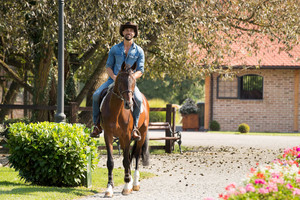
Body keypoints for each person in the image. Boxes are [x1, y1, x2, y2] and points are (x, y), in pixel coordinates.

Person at [91, 22, 145, 141]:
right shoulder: (114, 49)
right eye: (126, 30)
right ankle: (97, 125)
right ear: (123, 33)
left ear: (134, 34)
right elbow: (108, 67)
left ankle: (135, 128)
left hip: (129, 83)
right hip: (113, 80)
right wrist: (115, 78)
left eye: (131, 30)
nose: (128, 32)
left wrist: (130, 79)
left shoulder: (139, 51)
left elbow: (140, 70)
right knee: (95, 96)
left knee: (139, 100)